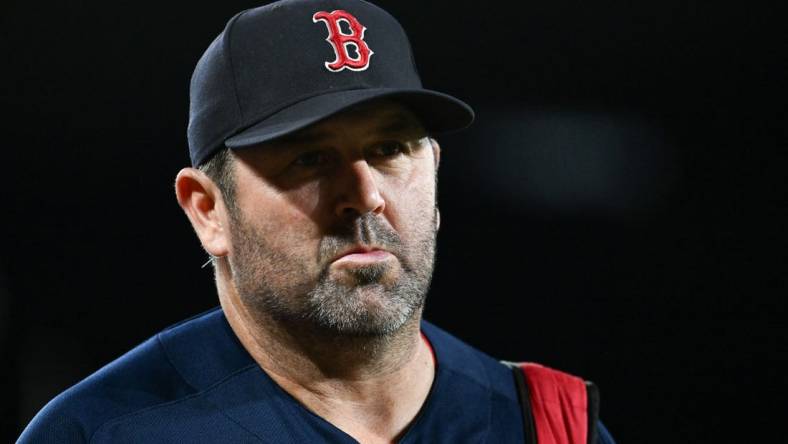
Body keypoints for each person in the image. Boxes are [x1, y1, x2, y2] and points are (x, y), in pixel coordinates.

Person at [19, 0, 615, 442]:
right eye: (309, 158)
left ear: (433, 170)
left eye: (388, 149)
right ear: (208, 210)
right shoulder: (102, 433)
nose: (364, 195)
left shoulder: (543, 423)